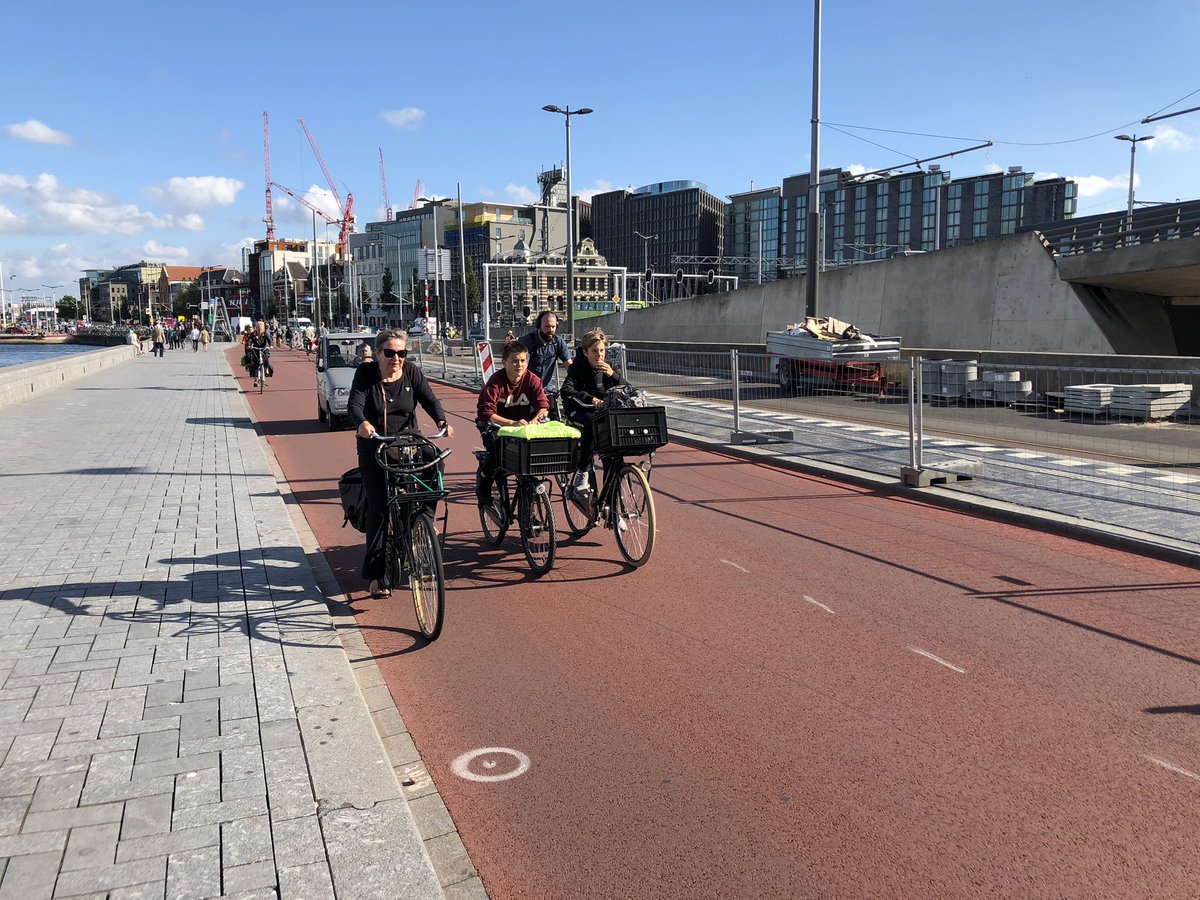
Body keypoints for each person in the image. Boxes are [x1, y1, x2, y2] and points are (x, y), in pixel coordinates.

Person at [348, 329, 454, 599]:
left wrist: (441, 420)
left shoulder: (411, 372)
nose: (397, 358)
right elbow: (355, 405)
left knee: (435, 465)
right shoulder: (366, 373)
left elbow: (429, 398)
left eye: (402, 353)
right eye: (390, 353)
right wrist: (362, 423)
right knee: (380, 508)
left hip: (409, 442)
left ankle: (424, 521)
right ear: (379, 353)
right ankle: (376, 575)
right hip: (376, 444)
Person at [474, 341, 550, 507]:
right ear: (504, 362)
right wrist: (510, 423)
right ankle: (483, 484)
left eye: (523, 360)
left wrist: (536, 419)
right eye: (514, 361)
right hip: (496, 426)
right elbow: (486, 411)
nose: (519, 365)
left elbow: (543, 405)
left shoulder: (532, 380)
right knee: (497, 454)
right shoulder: (496, 381)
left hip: (522, 428)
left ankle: (527, 514)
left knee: (528, 466)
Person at [561, 328, 627, 493]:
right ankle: (583, 471)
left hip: (602, 411)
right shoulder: (577, 368)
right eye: (595, 351)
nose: (600, 355)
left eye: (602, 350)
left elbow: (627, 389)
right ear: (585, 352)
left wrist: (613, 375)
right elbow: (567, 391)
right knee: (592, 424)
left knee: (611, 456)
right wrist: (590, 399)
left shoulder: (609, 368)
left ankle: (609, 506)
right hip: (579, 411)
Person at [518, 310, 571, 396]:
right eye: (547, 326)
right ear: (539, 326)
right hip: (527, 388)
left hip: (547, 388)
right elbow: (521, 367)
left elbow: (569, 365)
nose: (550, 330)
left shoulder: (558, 342)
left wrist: (576, 381)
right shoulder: (527, 341)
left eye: (553, 327)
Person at [245, 321, 272, 386]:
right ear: (256, 328)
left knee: (266, 358)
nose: (260, 331)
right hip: (256, 349)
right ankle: (256, 381)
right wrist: (249, 345)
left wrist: (270, 345)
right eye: (258, 329)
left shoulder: (265, 334)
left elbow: (269, 340)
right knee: (256, 364)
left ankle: (266, 369)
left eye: (261, 329)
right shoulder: (253, 334)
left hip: (264, 348)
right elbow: (250, 340)